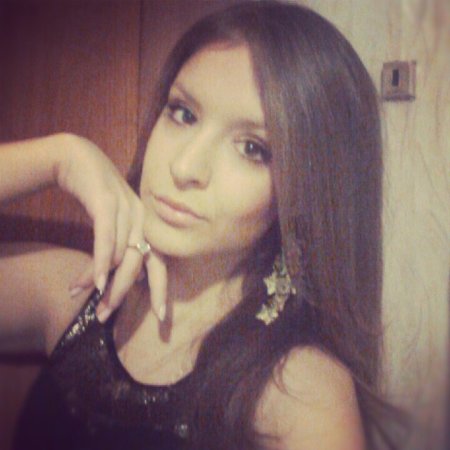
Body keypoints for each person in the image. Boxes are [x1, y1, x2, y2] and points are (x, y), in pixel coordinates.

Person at [0, 1, 404, 449]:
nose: (185, 167)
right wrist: (59, 158)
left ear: (306, 193)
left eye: (252, 148)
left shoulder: (299, 388)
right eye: (183, 113)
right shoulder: (77, 291)